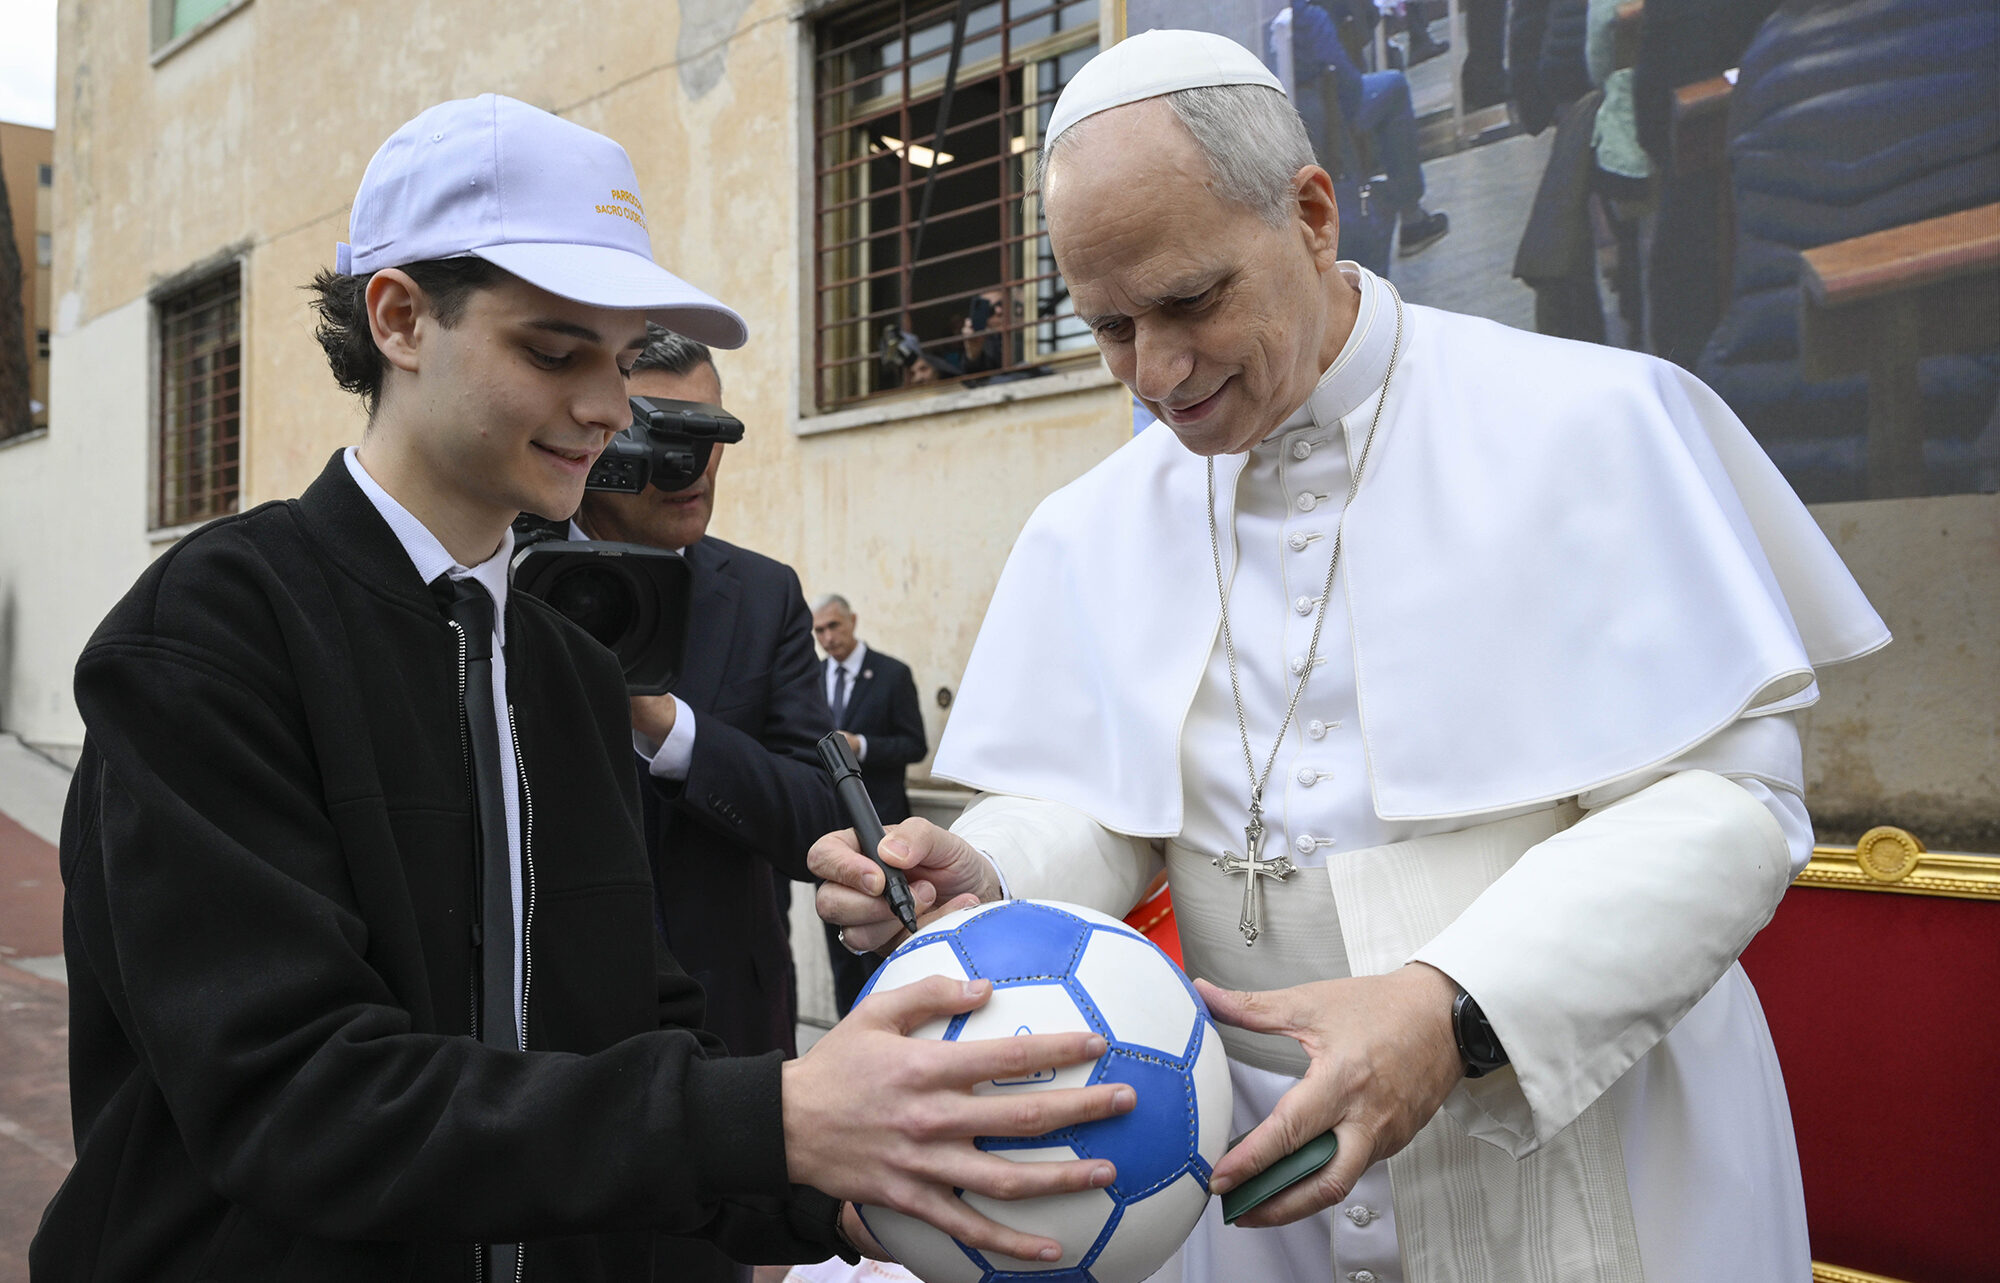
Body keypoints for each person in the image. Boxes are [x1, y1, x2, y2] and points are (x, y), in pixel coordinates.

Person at [812, 31, 1890, 1283]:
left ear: (1312, 215)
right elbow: (1108, 808)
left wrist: (1450, 1003)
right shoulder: (1091, 523)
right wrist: (992, 865)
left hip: (1579, 1138)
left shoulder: (1590, 420)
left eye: (1189, 302)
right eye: (1108, 327)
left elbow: (1726, 804)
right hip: (1253, 1171)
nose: (1155, 375)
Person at [31, 94, 1135, 1282]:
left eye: (619, 359)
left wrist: (849, 1180)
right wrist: (777, 1116)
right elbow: (300, 1100)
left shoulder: (563, 664)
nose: (609, 407)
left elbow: (629, 1024)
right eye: (554, 353)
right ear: (398, 318)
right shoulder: (210, 632)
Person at [573, 326, 839, 1069]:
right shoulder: (502, 576)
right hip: (563, 1044)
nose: (691, 465)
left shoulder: (763, 594)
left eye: (710, 432)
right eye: (661, 434)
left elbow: (820, 818)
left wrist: (668, 728)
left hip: (735, 1031)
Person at [810, 593, 928, 1015]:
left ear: (853, 621)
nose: (828, 637)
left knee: (887, 943)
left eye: (834, 626)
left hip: (884, 830)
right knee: (840, 945)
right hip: (831, 830)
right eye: (819, 630)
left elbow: (915, 744)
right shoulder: (810, 678)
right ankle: (849, 1027)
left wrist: (862, 746)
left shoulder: (892, 674)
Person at [1284, 0, 1450, 264]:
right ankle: (1412, 216)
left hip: (1272, 130)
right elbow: (1349, 89)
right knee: (1393, 87)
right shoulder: (1304, 18)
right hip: (1323, 119)